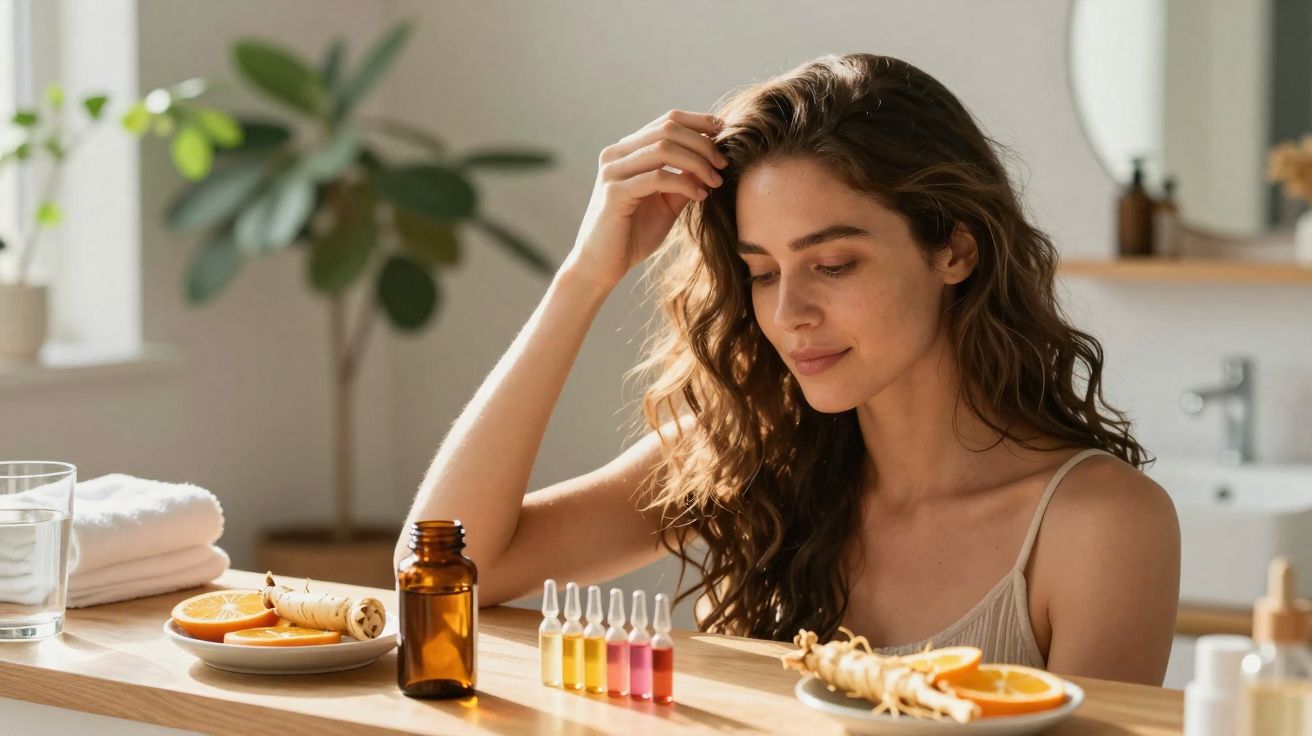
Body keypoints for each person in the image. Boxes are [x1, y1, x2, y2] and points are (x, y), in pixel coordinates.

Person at [394, 53, 1180, 686]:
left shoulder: (1097, 526)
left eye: (832, 264)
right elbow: (442, 571)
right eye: (762, 272)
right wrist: (584, 277)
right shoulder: (753, 451)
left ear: (955, 250)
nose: (788, 313)